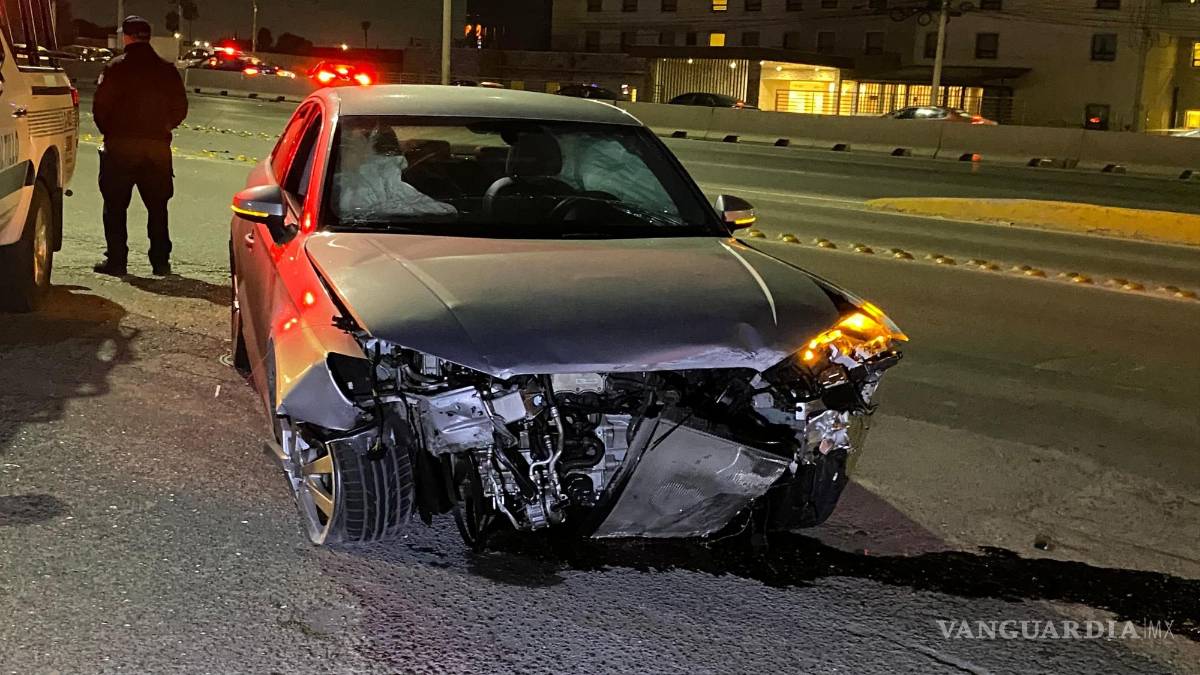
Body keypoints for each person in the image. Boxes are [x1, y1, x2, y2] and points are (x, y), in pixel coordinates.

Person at [92, 16, 188, 277]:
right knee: (157, 208)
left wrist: (111, 133)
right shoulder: (167, 69)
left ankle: (117, 261)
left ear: (127, 37)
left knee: (115, 207)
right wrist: (163, 127)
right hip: (156, 147)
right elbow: (181, 107)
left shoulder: (115, 68)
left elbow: (100, 107)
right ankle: (160, 262)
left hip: (120, 147)